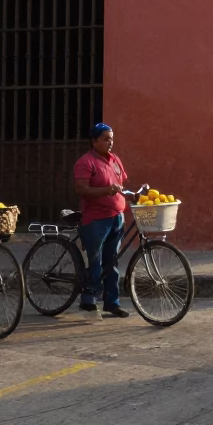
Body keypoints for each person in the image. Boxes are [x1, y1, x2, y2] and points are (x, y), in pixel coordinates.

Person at [73, 124, 131, 318]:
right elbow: (82, 189)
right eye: (105, 139)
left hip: (116, 217)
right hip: (96, 219)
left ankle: (111, 302)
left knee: (112, 262)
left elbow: (120, 185)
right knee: (95, 261)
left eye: (111, 138)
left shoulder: (114, 160)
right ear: (94, 141)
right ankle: (88, 299)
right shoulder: (86, 162)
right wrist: (105, 191)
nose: (110, 142)